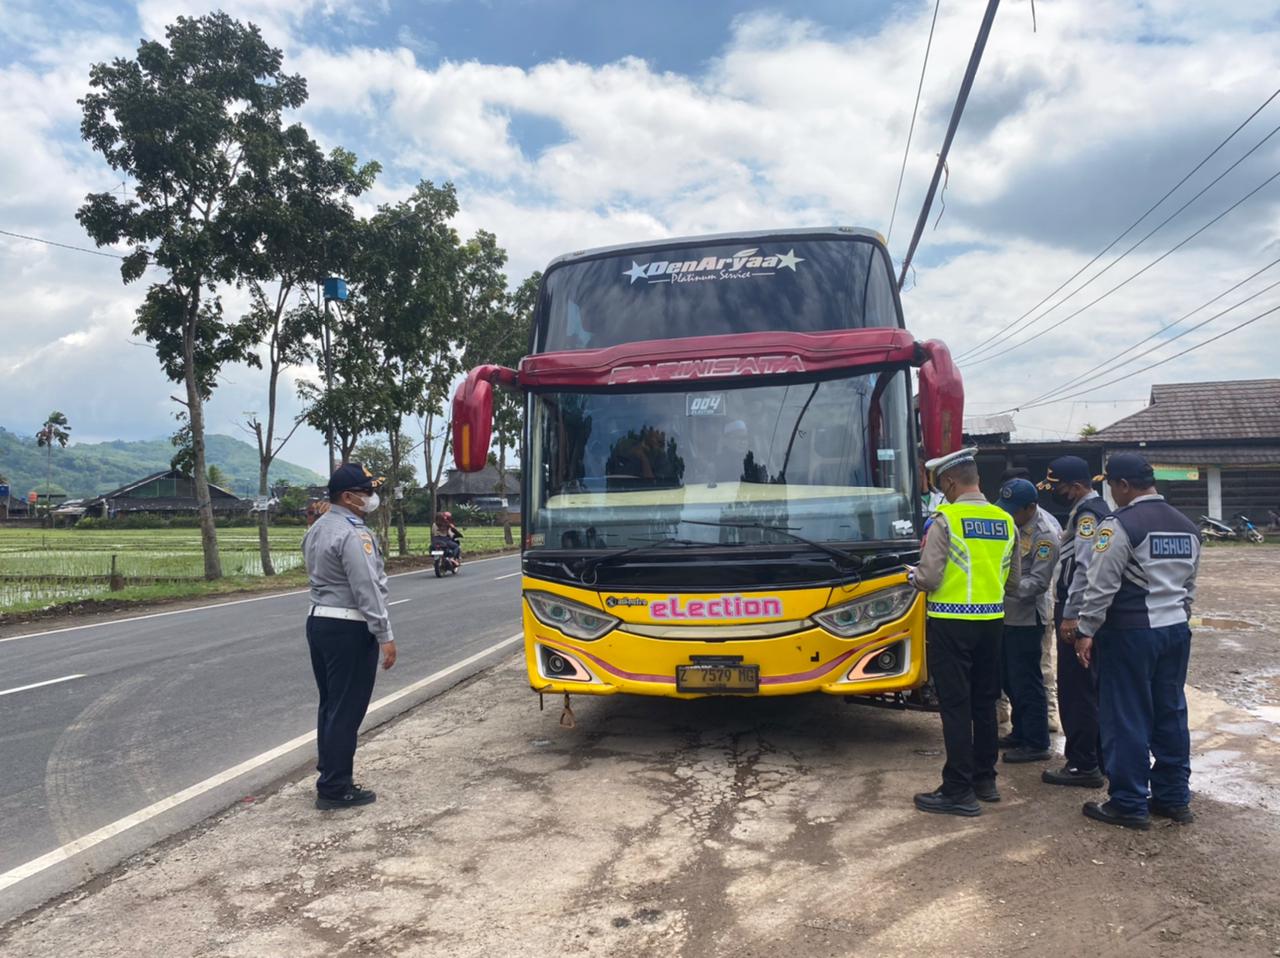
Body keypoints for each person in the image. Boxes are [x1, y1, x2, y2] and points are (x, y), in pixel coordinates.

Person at [1075, 454, 1201, 829]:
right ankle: (1173, 797)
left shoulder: (1120, 525)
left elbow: (1100, 586)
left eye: (1112, 486)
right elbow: (1189, 587)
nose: (1112, 494)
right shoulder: (1187, 527)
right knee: (1170, 713)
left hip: (1131, 633)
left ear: (1124, 485)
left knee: (1126, 716)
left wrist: (1086, 630)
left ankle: (1128, 802)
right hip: (1175, 630)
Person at [908, 447, 1020, 817]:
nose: (943, 491)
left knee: (956, 707)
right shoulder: (1005, 521)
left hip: (951, 623)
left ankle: (957, 790)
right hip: (992, 622)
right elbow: (1014, 582)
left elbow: (928, 578)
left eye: (942, 485)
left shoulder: (946, 520)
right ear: (978, 480)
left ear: (951, 482)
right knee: (984, 702)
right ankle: (985, 780)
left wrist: (911, 576)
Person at [302, 462, 398, 810]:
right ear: (347, 497)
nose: (371, 497)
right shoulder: (353, 533)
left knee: (331, 704)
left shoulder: (318, 527)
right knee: (347, 709)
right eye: (366, 492)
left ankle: (330, 769)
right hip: (349, 627)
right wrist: (384, 633)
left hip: (319, 621)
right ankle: (335, 787)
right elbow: (366, 587)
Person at [1038, 455, 1109, 788]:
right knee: (1090, 687)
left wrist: (1071, 615)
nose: (1056, 494)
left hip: (1077, 612)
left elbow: (1084, 568)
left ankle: (1083, 764)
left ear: (1077, 487)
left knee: (1076, 689)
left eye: (1060, 488)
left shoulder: (1088, 516)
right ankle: (1099, 758)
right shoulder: (1093, 511)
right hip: (1089, 612)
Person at [994, 478, 1060, 763]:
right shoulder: (1016, 525)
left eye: (1014, 511)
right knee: (1010, 678)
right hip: (1009, 616)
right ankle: (1020, 732)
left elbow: (1038, 583)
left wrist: (1001, 588)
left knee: (1027, 681)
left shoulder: (1045, 535)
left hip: (1029, 618)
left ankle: (1036, 742)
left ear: (1030, 507)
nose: (1009, 515)